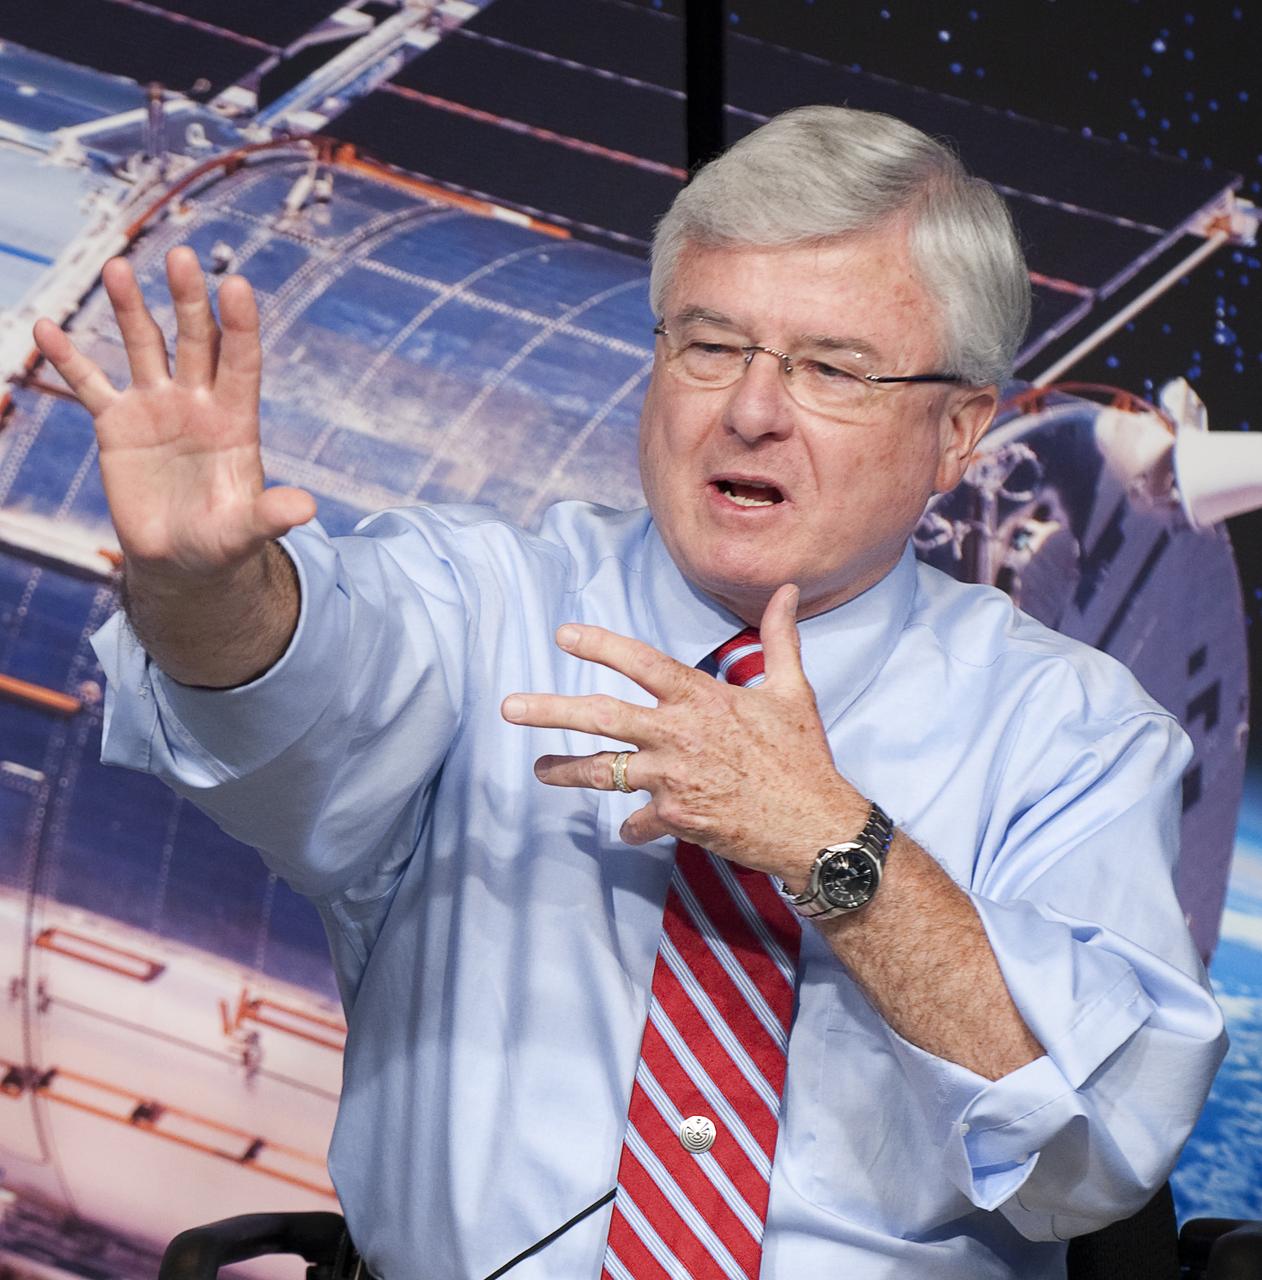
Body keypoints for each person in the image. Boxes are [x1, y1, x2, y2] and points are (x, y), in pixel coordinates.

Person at [34, 106, 1225, 1279]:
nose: (751, 410)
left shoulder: (1071, 731)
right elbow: (282, 682)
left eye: (831, 369)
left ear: (957, 429)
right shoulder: (485, 599)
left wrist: (831, 841)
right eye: (710, 346)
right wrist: (198, 579)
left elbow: (1096, 1142)